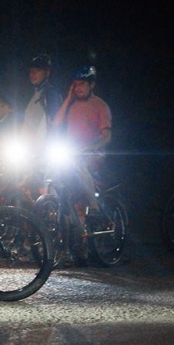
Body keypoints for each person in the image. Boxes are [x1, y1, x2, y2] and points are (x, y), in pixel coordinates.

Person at [52, 66, 112, 261]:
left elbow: (106, 136)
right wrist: (68, 99)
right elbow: (56, 124)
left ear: (92, 84)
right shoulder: (70, 105)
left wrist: (90, 147)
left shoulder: (100, 105)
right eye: (75, 84)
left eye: (82, 84)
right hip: (71, 154)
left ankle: (94, 207)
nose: (78, 88)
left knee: (79, 165)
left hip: (92, 155)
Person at [22, 54, 63, 147]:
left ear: (47, 72)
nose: (33, 74)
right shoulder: (32, 96)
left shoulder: (51, 94)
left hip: (43, 152)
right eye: (31, 71)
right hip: (28, 152)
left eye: (38, 70)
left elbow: (56, 123)